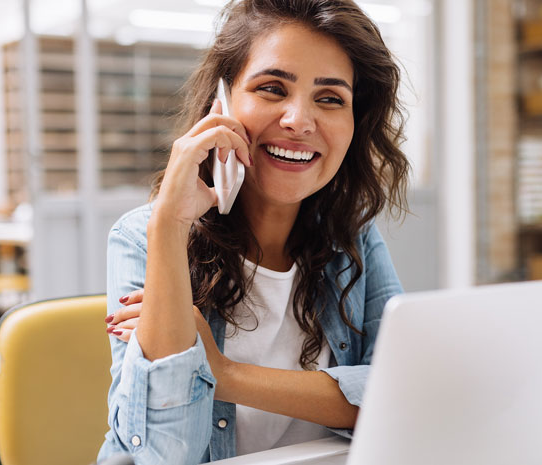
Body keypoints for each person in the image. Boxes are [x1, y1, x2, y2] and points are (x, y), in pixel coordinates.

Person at [98, 0, 410, 463]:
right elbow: (164, 454)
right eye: (271, 88)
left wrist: (222, 372)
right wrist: (169, 223)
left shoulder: (351, 237)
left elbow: (401, 396)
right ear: (220, 105)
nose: (299, 121)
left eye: (330, 99)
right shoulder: (144, 236)